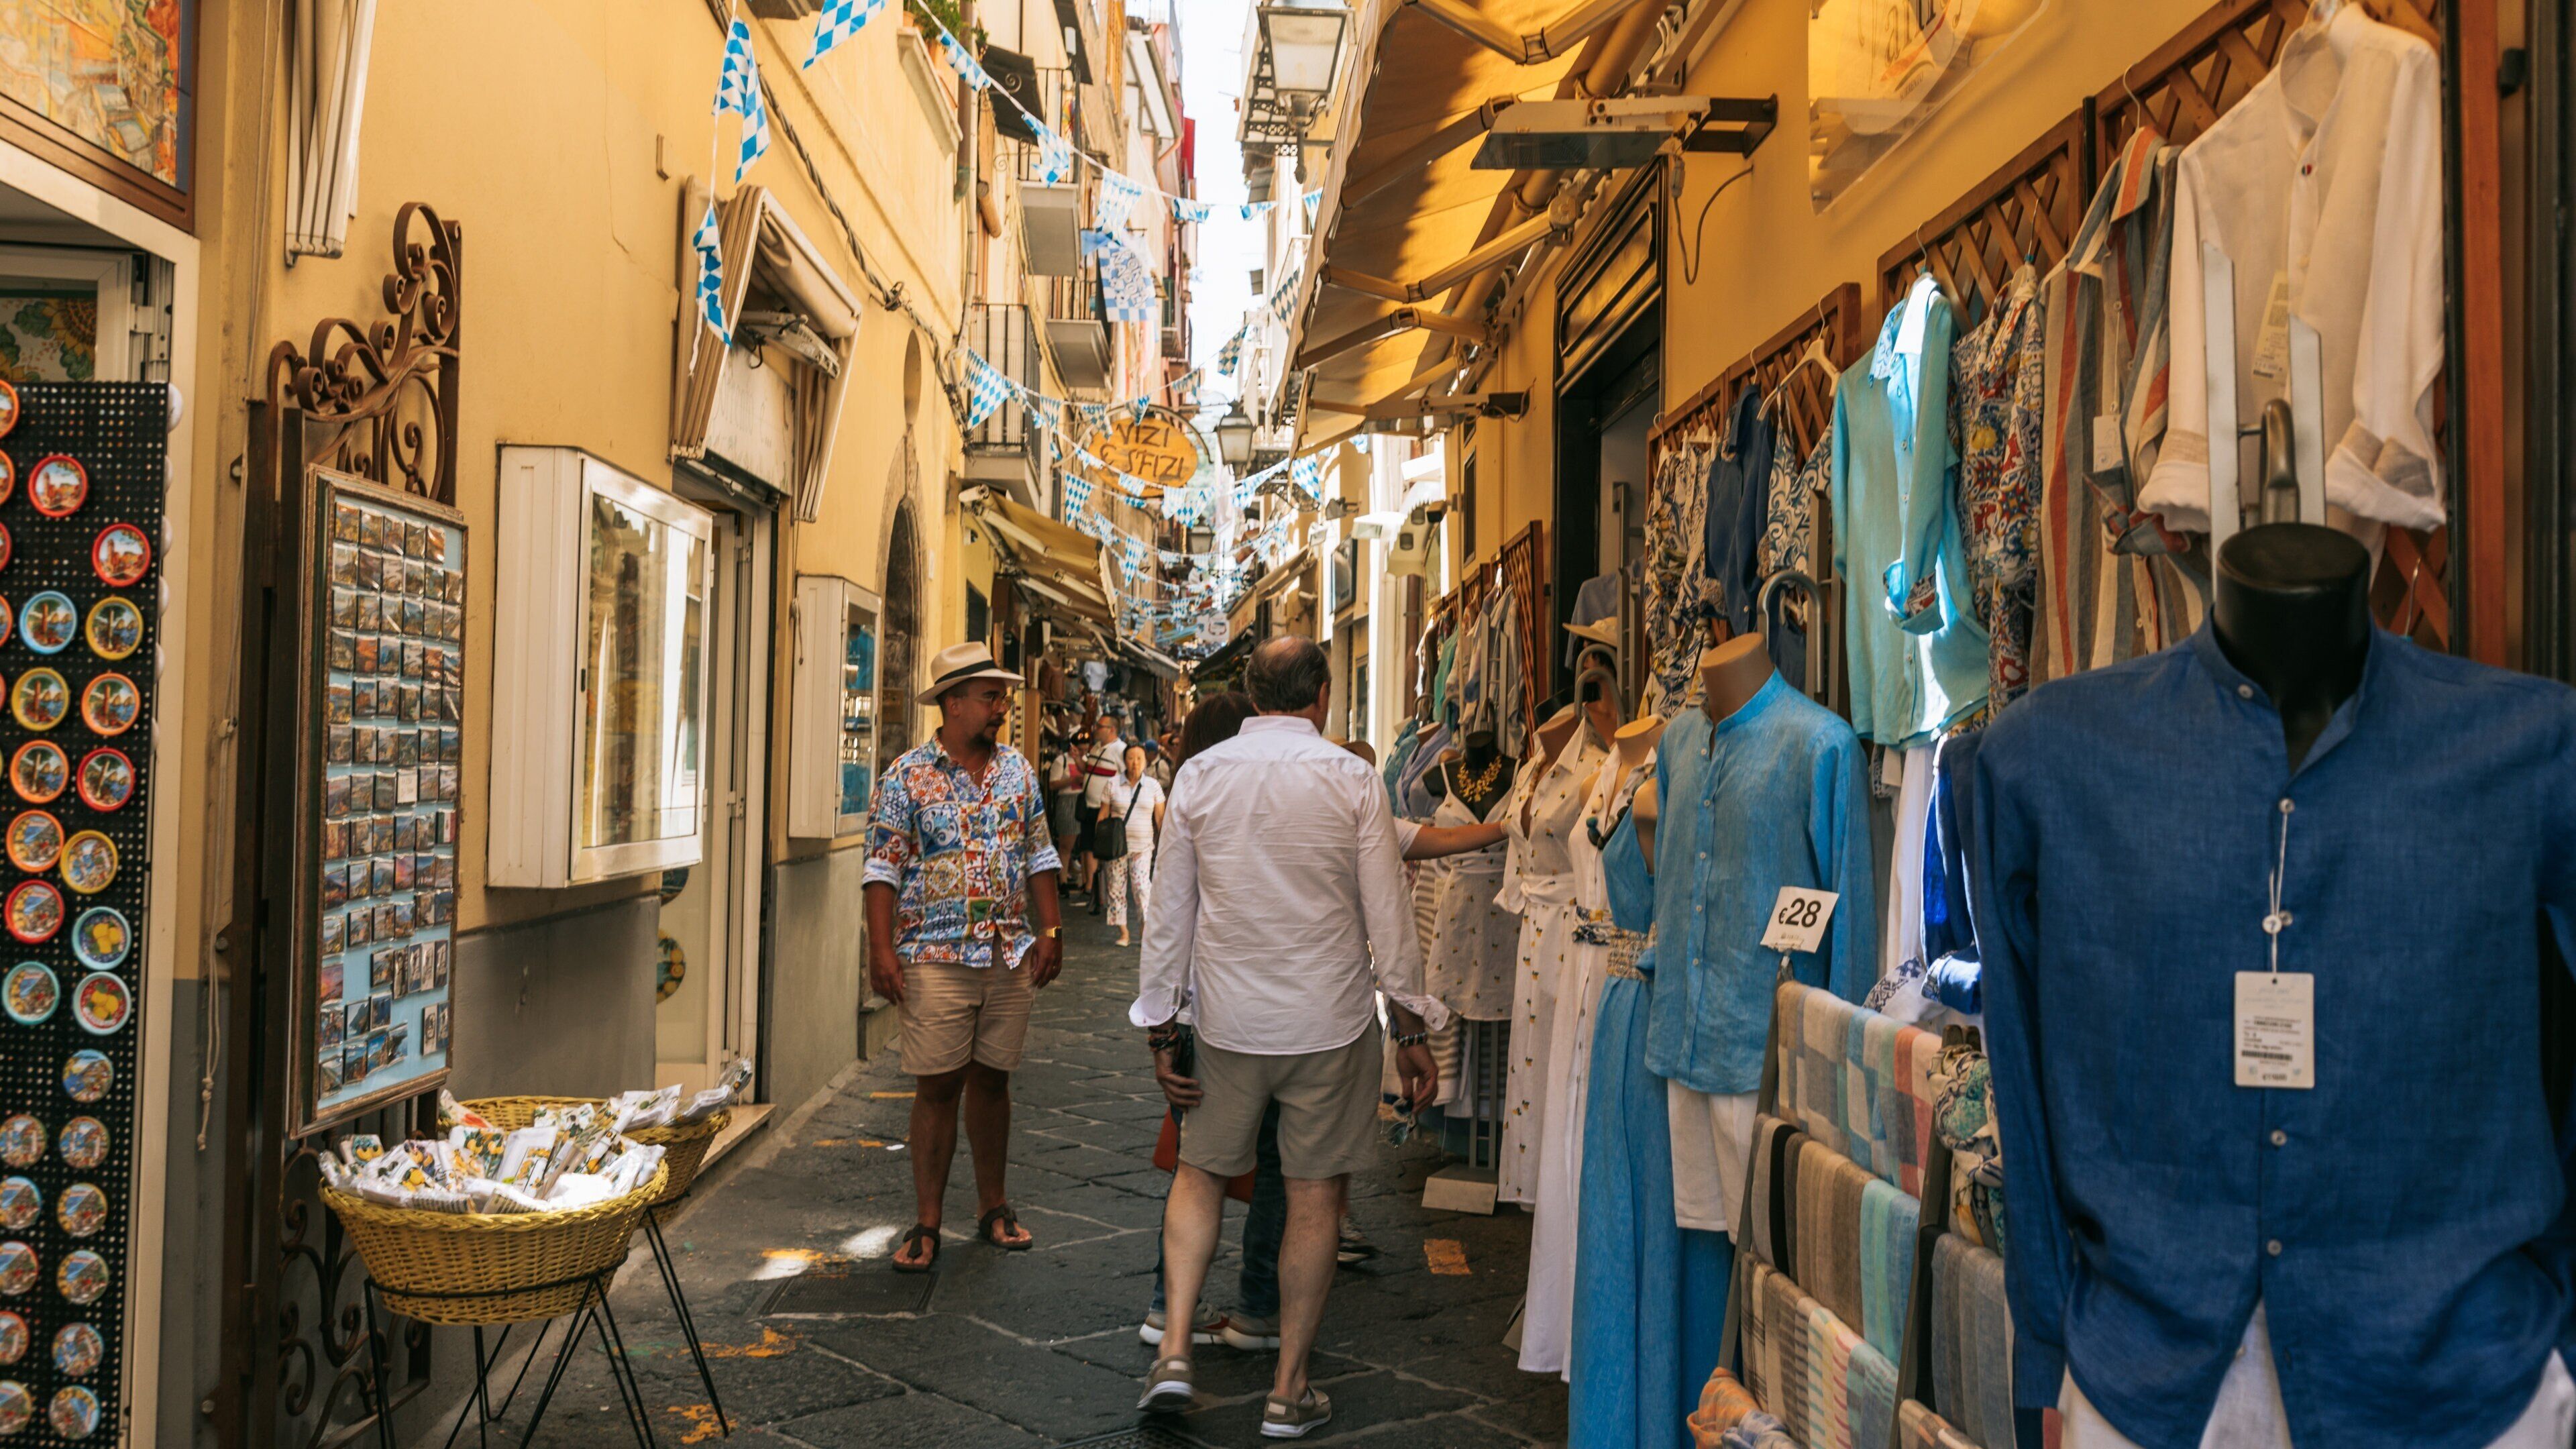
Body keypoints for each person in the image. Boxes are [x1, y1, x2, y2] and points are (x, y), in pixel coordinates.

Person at [1133, 638, 1444, 1437]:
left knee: (1199, 1175)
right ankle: (1287, 1387)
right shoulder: (1351, 779)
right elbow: (1388, 914)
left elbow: (1170, 917)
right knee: (1314, 1196)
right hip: (1329, 1023)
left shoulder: (1199, 777)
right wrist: (1409, 1023)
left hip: (1230, 1021)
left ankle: (1172, 1349)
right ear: (1323, 695)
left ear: (1252, 692)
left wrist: (1162, 1028)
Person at [863, 642, 1065, 1273]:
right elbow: (881, 869)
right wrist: (880, 950)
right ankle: (926, 1222)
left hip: (1007, 948)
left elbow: (1039, 853)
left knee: (995, 1081)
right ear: (953, 703)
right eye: (990, 697)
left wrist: (1052, 930)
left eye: (1001, 696)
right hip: (932, 952)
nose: (1002, 707)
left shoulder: (1018, 773)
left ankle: (993, 1206)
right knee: (938, 1085)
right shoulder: (905, 777)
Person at [1104, 743, 1166, 947]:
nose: (1135, 762)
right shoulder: (1112, 784)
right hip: (1116, 847)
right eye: (1131, 758)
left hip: (1143, 846)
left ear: (1145, 761)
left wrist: (1165, 844)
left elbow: (1160, 820)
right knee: (1116, 889)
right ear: (1125, 760)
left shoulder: (1153, 786)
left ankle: (1144, 927)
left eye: (1139, 758)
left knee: (1142, 887)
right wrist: (1099, 840)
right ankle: (1124, 932)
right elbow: (1103, 815)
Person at [1077, 716, 1126, 914]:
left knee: (1104, 851)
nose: (1096, 728)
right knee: (1088, 847)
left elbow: (1127, 777)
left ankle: (1104, 892)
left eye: (1100, 726)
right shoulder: (1097, 747)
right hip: (1089, 806)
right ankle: (1091, 888)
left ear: (1112, 730)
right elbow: (1088, 771)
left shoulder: (1121, 750)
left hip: (1105, 808)